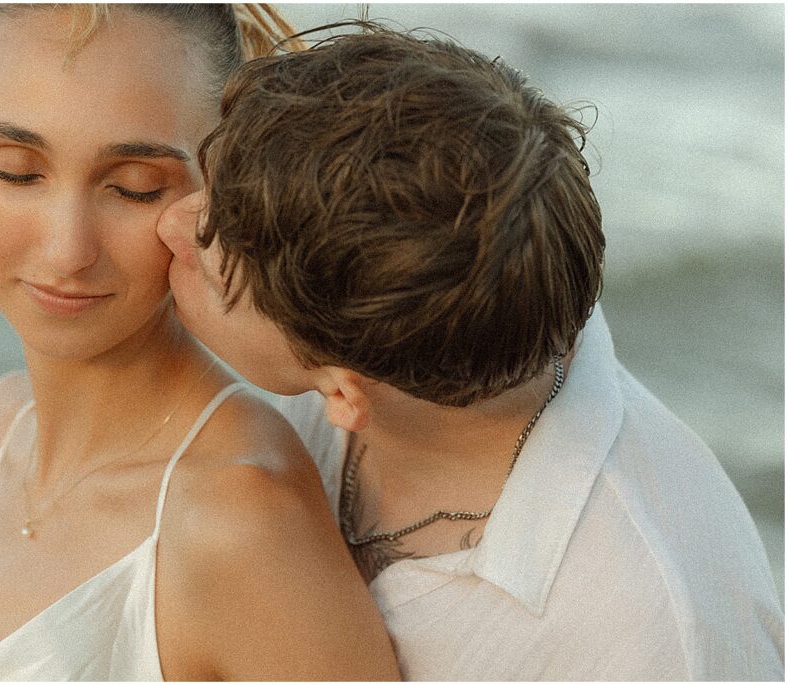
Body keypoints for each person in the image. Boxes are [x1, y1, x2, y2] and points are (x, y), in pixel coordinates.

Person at [157, 24, 785, 680]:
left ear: (346, 393)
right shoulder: (425, 309)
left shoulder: (656, 632)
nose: (169, 221)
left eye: (211, 247)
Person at [0, 5, 398, 681]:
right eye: (18, 171)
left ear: (221, 186)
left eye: (134, 188)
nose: (68, 249)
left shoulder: (238, 521)